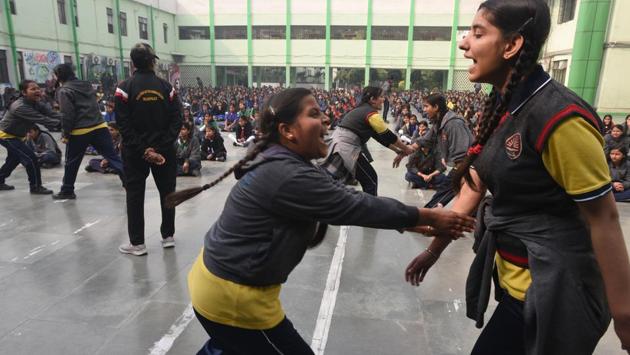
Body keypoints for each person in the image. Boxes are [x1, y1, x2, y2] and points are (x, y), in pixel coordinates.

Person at [406, 1, 630, 354]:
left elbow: (603, 217)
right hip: (518, 288)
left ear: (511, 46)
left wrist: (624, 315)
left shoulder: (559, 118)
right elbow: (477, 182)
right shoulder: (506, 104)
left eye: (479, 33)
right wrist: (435, 249)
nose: (465, 43)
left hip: (552, 292)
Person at [184, 87, 475, 355]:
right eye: (313, 114)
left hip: (216, 281)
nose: (325, 119)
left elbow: (337, 195)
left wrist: (409, 223)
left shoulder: (285, 162)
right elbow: (352, 204)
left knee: (228, 345)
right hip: (235, 296)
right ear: (287, 131)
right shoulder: (288, 173)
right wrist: (429, 215)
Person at [115, 43, 182, 256]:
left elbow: (123, 125)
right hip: (165, 152)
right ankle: (168, 235)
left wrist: (144, 149)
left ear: (132, 63)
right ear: (153, 61)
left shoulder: (124, 89)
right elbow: (177, 119)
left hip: (135, 152)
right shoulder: (166, 88)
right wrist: (159, 148)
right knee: (167, 191)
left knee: (135, 194)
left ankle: (137, 243)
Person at [321, 86, 414, 196]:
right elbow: (388, 135)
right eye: (381, 97)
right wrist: (406, 148)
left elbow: (379, 137)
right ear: (372, 99)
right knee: (371, 180)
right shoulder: (371, 114)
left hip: (342, 146)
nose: (383, 99)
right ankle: (370, 209)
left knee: (336, 181)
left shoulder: (361, 110)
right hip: (346, 148)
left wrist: (398, 151)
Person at [52, 63, 126, 200]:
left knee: (71, 162)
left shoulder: (64, 90)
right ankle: (130, 183)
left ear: (59, 76)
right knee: (113, 157)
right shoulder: (86, 84)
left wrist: (65, 134)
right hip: (99, 126)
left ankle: (67, 190)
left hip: (80, 131)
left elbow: (67, 114)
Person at [0, 80, 61, 194]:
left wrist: (69, 119)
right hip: (6, 135)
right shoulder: (20, 106)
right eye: (33, 89)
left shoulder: (36, 103)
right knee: (30, 158)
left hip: (19, 136)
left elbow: (52, 114)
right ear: (24, 92)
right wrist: (62, 124)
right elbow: (42, 119)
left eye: (38, 88)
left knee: (14, 160)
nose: (37, 90)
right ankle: (35, 187)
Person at [420, 93, 473, 208]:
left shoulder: (454, 123)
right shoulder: (438, 123)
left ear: (436, 107)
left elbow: (462, 151)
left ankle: (428, 214)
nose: (424, 110)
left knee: (445, 190)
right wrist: (404, 150)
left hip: (466, 165)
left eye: (426, 106)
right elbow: (426, 140)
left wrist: (459, 172)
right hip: (461, 165)